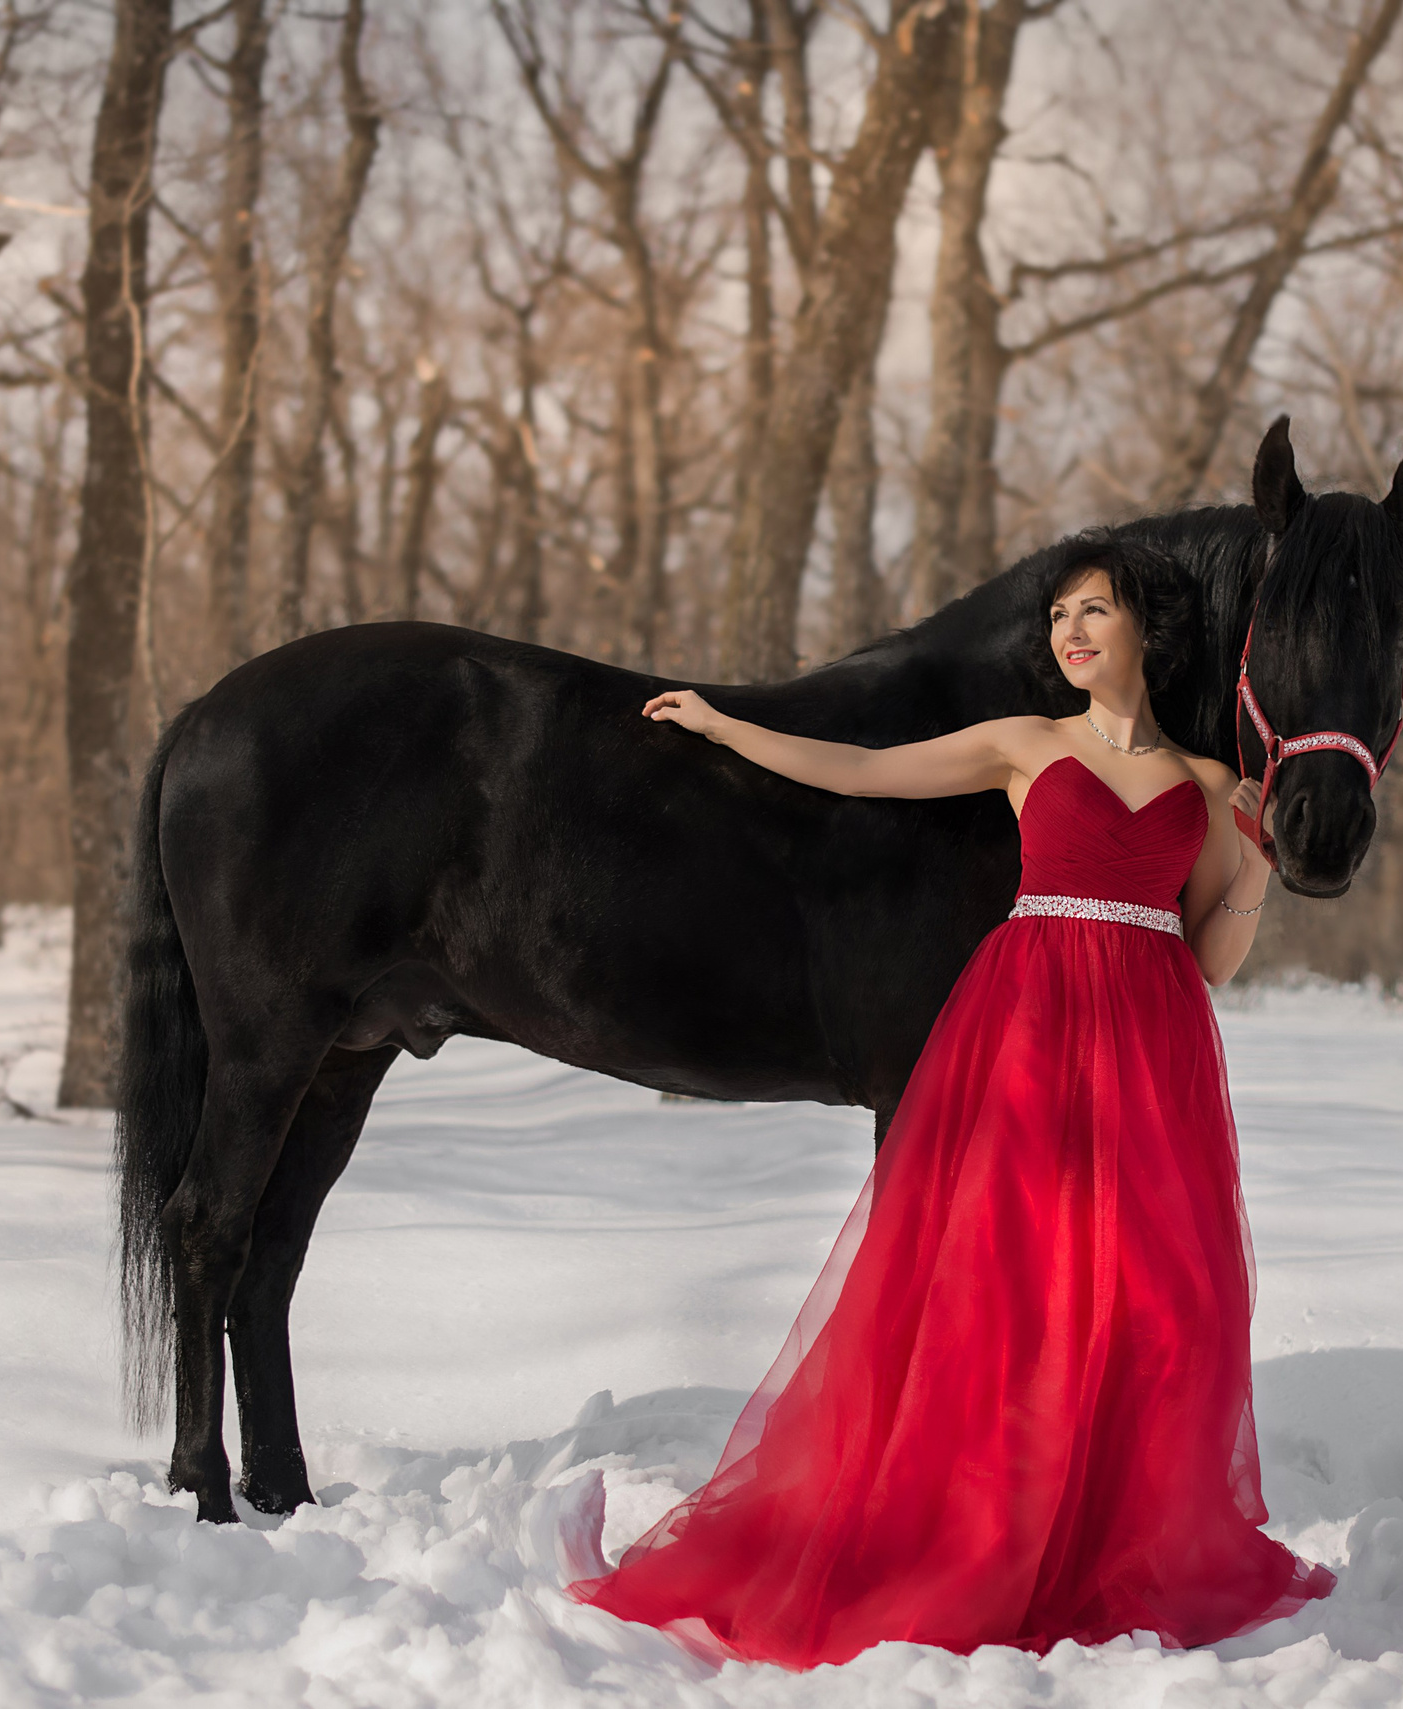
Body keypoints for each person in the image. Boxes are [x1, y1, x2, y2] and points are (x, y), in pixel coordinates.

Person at [565, 536, 1335, 1668]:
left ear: (1145, 633)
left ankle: (1101, 1534)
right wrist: (725, 724)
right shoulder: (1024, 744)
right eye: (1059, 617)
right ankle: (983, 1529)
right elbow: (860, 769)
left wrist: (1258, 864)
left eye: (1094, 612)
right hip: (1027, 1030)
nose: (1070, 632)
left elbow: (1210, 956)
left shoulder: (1211, 786)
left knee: (1158, 1301)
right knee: (1010, 1287)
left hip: (1152, 1045)